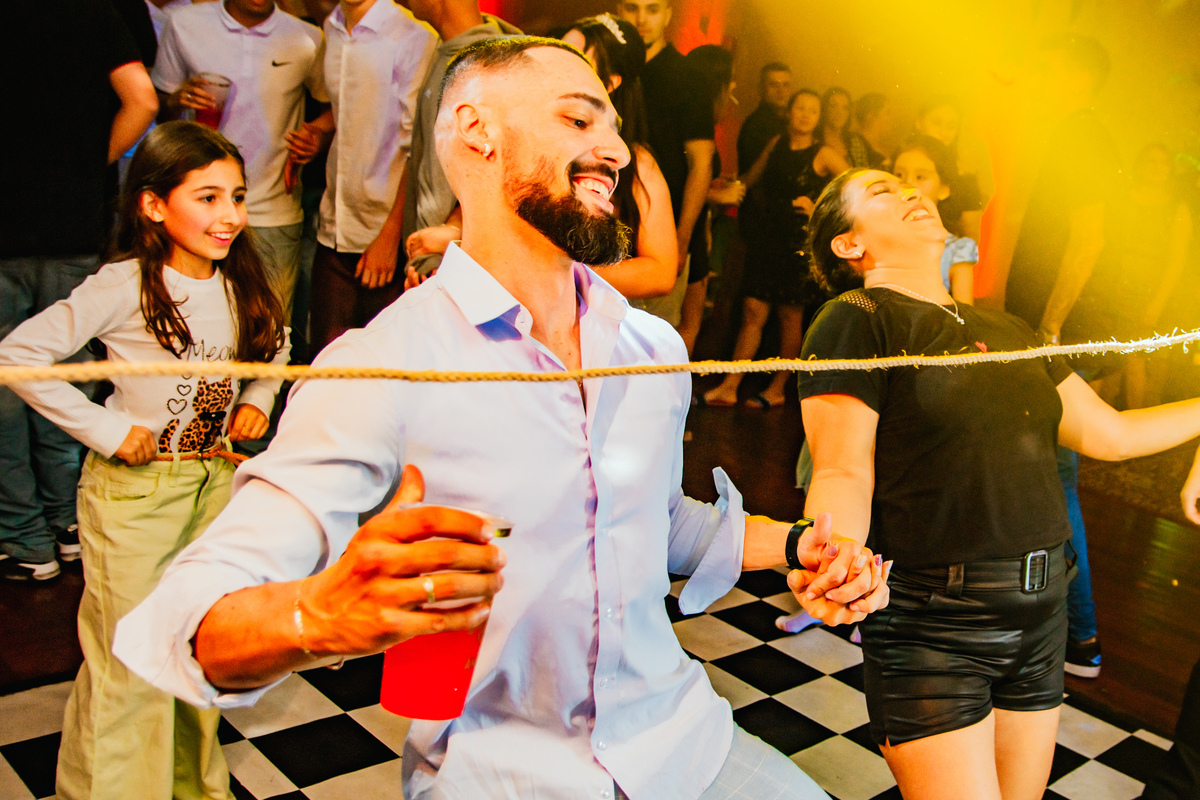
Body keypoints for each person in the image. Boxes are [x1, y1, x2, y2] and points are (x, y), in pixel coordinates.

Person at [112, 38, 889, 799]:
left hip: (682, 744)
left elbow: (651, 520)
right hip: (501, 779)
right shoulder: (385, 364)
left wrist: (800, 545)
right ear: (477, 130)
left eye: (615, 129)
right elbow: (194, 620)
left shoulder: (650, 349)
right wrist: (321, 613)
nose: (616, 152)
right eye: (579, 120)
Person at [797, 166, 1200, 800]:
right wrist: (838, 551)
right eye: (881, 192)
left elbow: (1111, 435)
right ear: (849, 245)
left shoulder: (1010, 329)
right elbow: (842, 466)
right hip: (936, 626)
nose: (911, 192)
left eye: (910, 185)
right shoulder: (857, 317)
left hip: (1043, 615)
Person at [0, 122, 288, 800]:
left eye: (237, 197)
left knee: (194, 650)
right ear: (153, 205)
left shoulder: (242, 277)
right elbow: (17, 355)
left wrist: (258, 398)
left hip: (213, 485)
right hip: (134, 497)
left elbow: (276, 344)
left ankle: (189, 788)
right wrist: (105, 429)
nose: (229, 216)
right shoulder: (123, 284)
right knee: (130, 662)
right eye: (207, 198)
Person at [0, 1, 158, 581]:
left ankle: (24, 539)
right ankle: (69, 524)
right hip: (72, 222)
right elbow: (143, 100)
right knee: (66, 375)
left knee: (4, 387)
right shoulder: (93, 8)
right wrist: (87, 167)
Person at [1005, 35, 1119, 680]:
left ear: (1076, 74)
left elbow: (1089, 238)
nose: (1039, 76)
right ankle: (1069, 629)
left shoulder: (1083, 136)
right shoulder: (1075, 133)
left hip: (1054, 335)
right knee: (1048, 475)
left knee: (1055, 476)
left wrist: (1049, 328)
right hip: (1047, 331)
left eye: (1048, 67)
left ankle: (1080, 634)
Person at [153, 0, 326, 320]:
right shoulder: (184, 24)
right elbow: (159, 106)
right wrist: (176, 101)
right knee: (193, 326)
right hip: (196, 213)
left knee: (270, 330)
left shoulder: (308, 38)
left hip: (274, 212)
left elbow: (333, 110)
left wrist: (317, 136)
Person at [281, 0, 436, 355]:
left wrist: (389, 235)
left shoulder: (413, 35)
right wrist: (318, 133)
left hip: (383, 233)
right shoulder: (332, 27)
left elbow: (419, 144)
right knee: (326, 363)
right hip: (334, 223)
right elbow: (348, 110)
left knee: (380, 366)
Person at [702, 89, 848, 408]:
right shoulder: (776, 143)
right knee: (752, 312)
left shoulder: (823, 153)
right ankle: (730, 385)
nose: (805, 115)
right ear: (790, 112)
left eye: (812, 110)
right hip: (768, 237)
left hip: (798, 243)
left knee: (789, 317)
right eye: (800, 108)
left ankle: (778, 387)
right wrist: (720, 187)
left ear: (818, 118)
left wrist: (819, 209)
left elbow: (853, 184)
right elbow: (750, 178)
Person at [396, 0, 522, 283]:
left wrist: (448, 241)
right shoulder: (452, 50)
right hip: (438, 262)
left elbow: (505, 175)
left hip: (458, 267)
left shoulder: (490, 65)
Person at [560, 14, 678, 300]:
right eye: (559, 51)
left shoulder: (634, 162)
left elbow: (661, 272)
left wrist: (563, 274)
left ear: (610, 83)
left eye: (576, 59)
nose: (557, 67)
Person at [617, 0, 716, 328]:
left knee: (652, 337)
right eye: (632, 8)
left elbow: (702, 164)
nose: (641, 19)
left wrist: (681, 237)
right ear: (619, 10)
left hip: (661, 233)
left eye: (652, 9)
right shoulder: (610, 68)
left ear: (668, 15)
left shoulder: (689, 77)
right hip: (608, 228)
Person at [1075, 143, 1193, 409]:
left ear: (1170, 170)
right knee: (1107, 362)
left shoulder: (1176, 209)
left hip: (1147, 293)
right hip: (1113, 289)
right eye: (1150, 161)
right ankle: (1103, 422)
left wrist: (1157, 304)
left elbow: (1176, 263)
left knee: (1134, 362)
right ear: (1140, 165)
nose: (1156, 168)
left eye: (1162, 163)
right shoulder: (1122, 200)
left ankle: (1134, 422)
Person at [677, 44, 745, 355]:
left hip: (694, 231)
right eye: (730, 79)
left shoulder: (700, 119)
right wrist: (716, 194)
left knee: (689, 320)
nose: (734, 86)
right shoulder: (693, 121)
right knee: (684, 323)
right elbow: (676, 179)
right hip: (684, 232)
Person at [892, 134, 976, 305]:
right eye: (899, 175)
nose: (908, 184)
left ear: (944, 189)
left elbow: (964, 315)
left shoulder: (955, 250)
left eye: (920, 177)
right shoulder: (880, 237)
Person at [914, 96, 985, 243]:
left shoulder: (964, 179)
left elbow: (972, 237)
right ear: (919, 123)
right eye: (936, 122)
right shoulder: (896, 163)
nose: (944, 132)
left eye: (951, 126)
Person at [819, 87, 871, 169]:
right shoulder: (813, 140)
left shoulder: (855, 142)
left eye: (845, 107)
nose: (839, 112)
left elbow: (864, 173)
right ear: (824, 108)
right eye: (833, 106)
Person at [853, 93, 893, 169]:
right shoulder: (857, 146)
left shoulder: (884, 147)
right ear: (871, 116)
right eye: (887, 113)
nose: (891, 118)